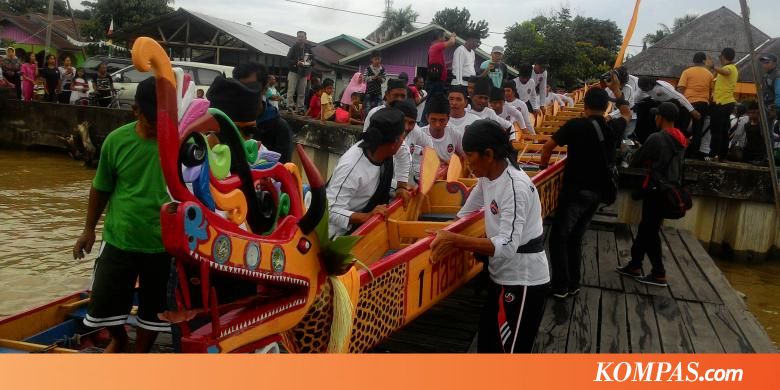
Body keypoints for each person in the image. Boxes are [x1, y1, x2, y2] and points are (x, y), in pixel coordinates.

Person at [430, 119, 549, 353]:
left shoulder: (515, 187)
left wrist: (454, 240)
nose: (466, 162)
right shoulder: (488, 178)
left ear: (488, 154)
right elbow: (464, 214)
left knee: (506, 355)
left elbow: (506, 246)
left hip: (522, 282)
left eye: (470, 156)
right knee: (487, 348)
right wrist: (439, 233)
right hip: (500, 277)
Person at [72, 77, 172, 353]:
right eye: (151, 119)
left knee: (155, 312)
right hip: (120, 237)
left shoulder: (180, 142)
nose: (156, 125)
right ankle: (119, 337)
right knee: (102, 304)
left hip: (162, 244)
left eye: (162, 118)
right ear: (136, 111)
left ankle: (138, 354)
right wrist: (88, 229)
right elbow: (101, 187)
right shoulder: (117, 142)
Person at [541, 77, 631, 298]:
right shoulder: (612, 127)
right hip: (598, 193)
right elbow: (627, 113)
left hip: (575, 191)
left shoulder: (575, 125)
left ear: (585, 105)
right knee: (576, 237)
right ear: (606, 107)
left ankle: (560, 286)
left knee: (559, 237)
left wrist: (543, 170)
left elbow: (548, 147)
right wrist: (617, 90)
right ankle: (574, 283)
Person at [616, 102, 689, 287]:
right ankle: (634, 265)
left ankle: (659, 273)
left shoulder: (657, 138)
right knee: (647, 227)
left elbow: (637, 159)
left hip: (656, 189)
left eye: (657, 115)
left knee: (650, 231)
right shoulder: (681, 138)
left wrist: (629, 153)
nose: (655, 118)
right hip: (669, 188)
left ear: (661, 117)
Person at [326, 108, 406, 238]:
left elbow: (374, 183)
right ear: (394, 142)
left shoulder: (381, 152)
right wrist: (366, 216)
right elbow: (329, 211)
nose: (404, 141)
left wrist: (398, 188)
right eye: (403, 137)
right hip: (337, 237)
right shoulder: (352, 166)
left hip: (360, 231)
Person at [635, 77, 699, 143]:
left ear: (649, 84)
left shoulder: (662, 87)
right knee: (643, 106)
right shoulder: (642, 89)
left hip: (674, 103)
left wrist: (692, 110)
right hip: (659, 102)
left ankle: (681, 137)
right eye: (642, 89)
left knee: (678, 125)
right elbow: (637, 98)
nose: (644, 90)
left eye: (645, 88)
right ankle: (643, 138)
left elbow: (679, 96)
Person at [677, 52, 713, 157]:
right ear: (703, 60)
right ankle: (693, 153)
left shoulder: (687, 72)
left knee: (683, 127)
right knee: (698, 129)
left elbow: (680, 88)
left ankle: (681, 150)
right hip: (703, 104)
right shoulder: (709, 74)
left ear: (694, 61)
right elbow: (711, 91)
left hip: (688, 103)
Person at [707, 48, 739, 161]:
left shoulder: (729, 67)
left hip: (722, 103)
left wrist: (713, 66)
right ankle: (722, 155)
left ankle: (713, 154)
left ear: (723, 56)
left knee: (716, 130)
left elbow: (726, 72)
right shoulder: (728, 68)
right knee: (724, 130)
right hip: (726, 102)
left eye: (720, 56)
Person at [420, 31, 456, 125]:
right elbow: (451, 42)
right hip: (436, 82)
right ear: (439, 38)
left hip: (436, 81)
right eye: (444, 37)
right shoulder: (436, 46)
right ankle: (424, 123)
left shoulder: (434, 49)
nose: (445, 39)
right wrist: (452, 36)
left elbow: (440, 64)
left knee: (432, 101)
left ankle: (425, 123)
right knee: (432, 102)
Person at [422, 93, 465, 165]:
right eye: (433, 120)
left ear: (448, 119)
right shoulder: (419, 135)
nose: (437, 124)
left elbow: (463, 156)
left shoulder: (455, 134)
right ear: (427, 118)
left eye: (442, 120)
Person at [285, 30, 313, 114]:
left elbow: (312, 59)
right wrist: (296, 62)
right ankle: (289, 106)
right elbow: (287, 59)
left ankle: (300, 108)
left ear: (305, 38)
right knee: (291, 90)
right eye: (299, 36)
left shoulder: (308, 48)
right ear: (297, 38)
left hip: (304, 72)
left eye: (302, 36)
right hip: (294, 71)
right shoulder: (293, 47)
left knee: (302, 91)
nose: (300, 38)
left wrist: (310, 63)